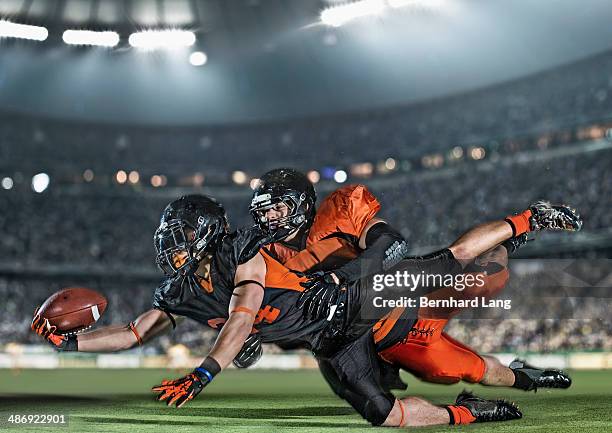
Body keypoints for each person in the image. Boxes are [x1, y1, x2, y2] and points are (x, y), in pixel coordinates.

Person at [31, 194, 524, 427]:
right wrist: (69, 341)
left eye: (180, 236)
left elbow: (243, 314)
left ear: (205, 231)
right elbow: (134, 332)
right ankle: (467, 413)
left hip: (355, 296)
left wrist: (204, 373)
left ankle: (520, 224)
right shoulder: (180, 289)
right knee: (384, 414)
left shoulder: (237, 249)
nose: (171, 248)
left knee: (448, 263)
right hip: (332, 337)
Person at [238, 168, 577, 393]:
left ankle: (527, 221)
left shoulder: (338, 212)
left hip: (401, 297)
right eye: (263, 212)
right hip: (380, 340)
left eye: (276, 209)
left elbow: (390, 243)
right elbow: (256, 308)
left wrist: (341, 277)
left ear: (299, 204)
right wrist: (248, 336)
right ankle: (524, 377)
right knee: (450, 372)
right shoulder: (261, 258)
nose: (268, 218)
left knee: (486, 279)